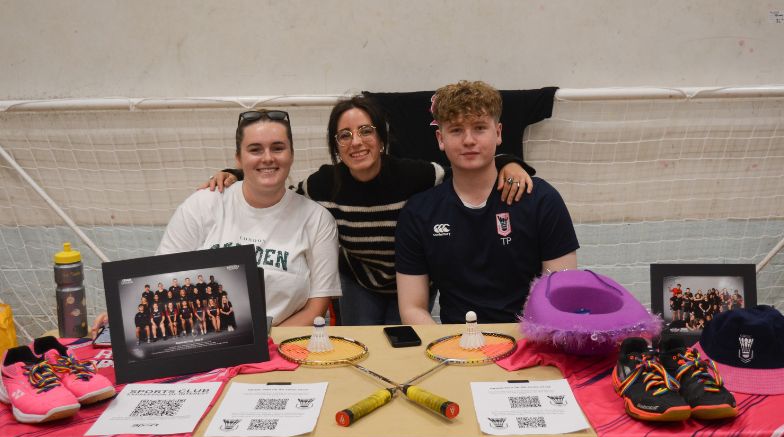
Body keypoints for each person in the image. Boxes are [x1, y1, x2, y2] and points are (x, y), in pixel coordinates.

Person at [203, 96, 534, 326]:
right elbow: (277, 192)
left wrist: (509, 163)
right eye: (344, 135)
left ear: (381, 137)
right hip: (358, 279)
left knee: (404, 344)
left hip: (414, 278)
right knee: (362, 343)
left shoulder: (417, 175)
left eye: (365, 131)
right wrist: (236, 174)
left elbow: (465, 172)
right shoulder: (323, 184)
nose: (356, 142)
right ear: (336, 145)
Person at [395, 80, 579, 324]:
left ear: (498, 133)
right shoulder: (418, 213)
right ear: (441, 138)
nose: (468, 140)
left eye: (479, 128)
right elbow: (412, 308)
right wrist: (444, 343)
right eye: (456, 130)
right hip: (457, 341)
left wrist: (530, 340)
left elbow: (560, 296)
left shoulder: (542, 200)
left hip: (529, 339)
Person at [157, 109, 341, 327]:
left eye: (278, 148)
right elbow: (161, 280)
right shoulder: (202, 204)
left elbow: (315, 309)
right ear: (238, 158)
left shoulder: (318, 220)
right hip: (202, 339)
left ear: (291, 154)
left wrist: (266, 343)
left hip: (280, 341)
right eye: (255, 149)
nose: (268, 158)